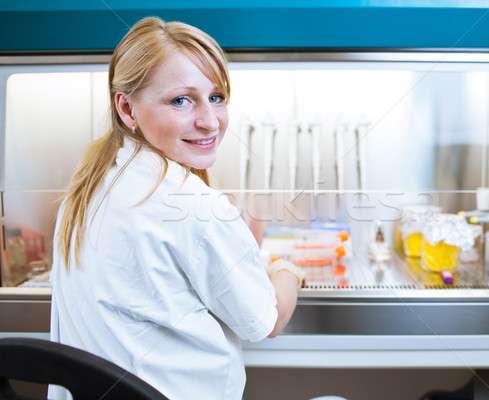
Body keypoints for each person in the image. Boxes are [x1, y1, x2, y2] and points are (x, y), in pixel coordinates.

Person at [49, 16, 304, 400]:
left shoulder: (85, 188)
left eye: (216, 97)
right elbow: (265, 321)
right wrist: (287, 268)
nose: (209, 121)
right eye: (181, 100)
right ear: (128, 109)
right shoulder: (193, 206)